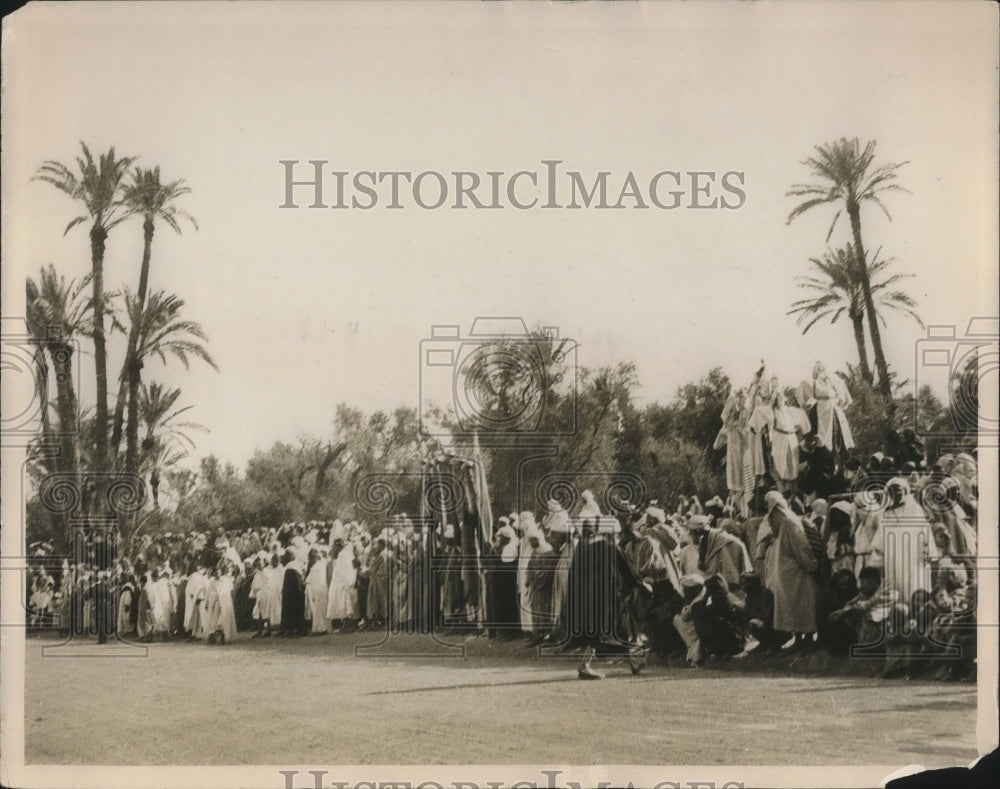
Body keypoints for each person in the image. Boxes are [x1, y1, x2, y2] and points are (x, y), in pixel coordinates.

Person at [562, 514, 647, 679]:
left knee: (596, 633)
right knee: (614, 631)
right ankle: (635, 659)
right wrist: (639, 584)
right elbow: (626, 569)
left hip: (586, 600)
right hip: (609, 597)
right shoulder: (608, 546)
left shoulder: (581, 548)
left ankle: (586, 665)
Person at [762, 490, 818, 652]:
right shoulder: (781, 523)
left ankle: (807, 640)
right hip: (786, 574)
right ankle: (798, 639)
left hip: (796, 572)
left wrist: (809, 565)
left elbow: (800, 547)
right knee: (791, 607)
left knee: (801, 605)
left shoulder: (788, 522)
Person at [279, 549, 306, 637]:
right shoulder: (292, 565)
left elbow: (297, 580)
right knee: (293, 611)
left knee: (293, 611)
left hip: (294, 592)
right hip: (292, 592)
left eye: (289, 555)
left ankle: (296, 630)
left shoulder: (292, 565)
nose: (287, 556)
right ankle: (293, 630)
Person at [304, 547, 330, 634]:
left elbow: (320, 579)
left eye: (313, 556)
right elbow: (309, 579)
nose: (312, 558)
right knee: (316, 609)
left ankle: (323, 628)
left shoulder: (320, 566)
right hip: (315, 590)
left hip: (320, 590)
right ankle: (318, 628)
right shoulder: (314, 567)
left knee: (321, 609)